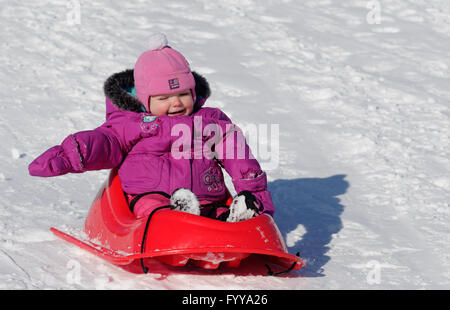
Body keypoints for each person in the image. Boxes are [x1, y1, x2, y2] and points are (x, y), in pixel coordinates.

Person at [28, 33, 275, 222]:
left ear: (193, 91)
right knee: (154, 210)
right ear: (145, 101)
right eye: (163, 98)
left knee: (217, 211)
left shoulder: (210, 121)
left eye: (183, 94)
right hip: (150, 197)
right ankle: (177, 218)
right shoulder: (130, 125)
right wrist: (72, 154)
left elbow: (240, 159)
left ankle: (235, 220)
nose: (176, 103)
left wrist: (256, 196)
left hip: (208, 196)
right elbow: (104, 143)